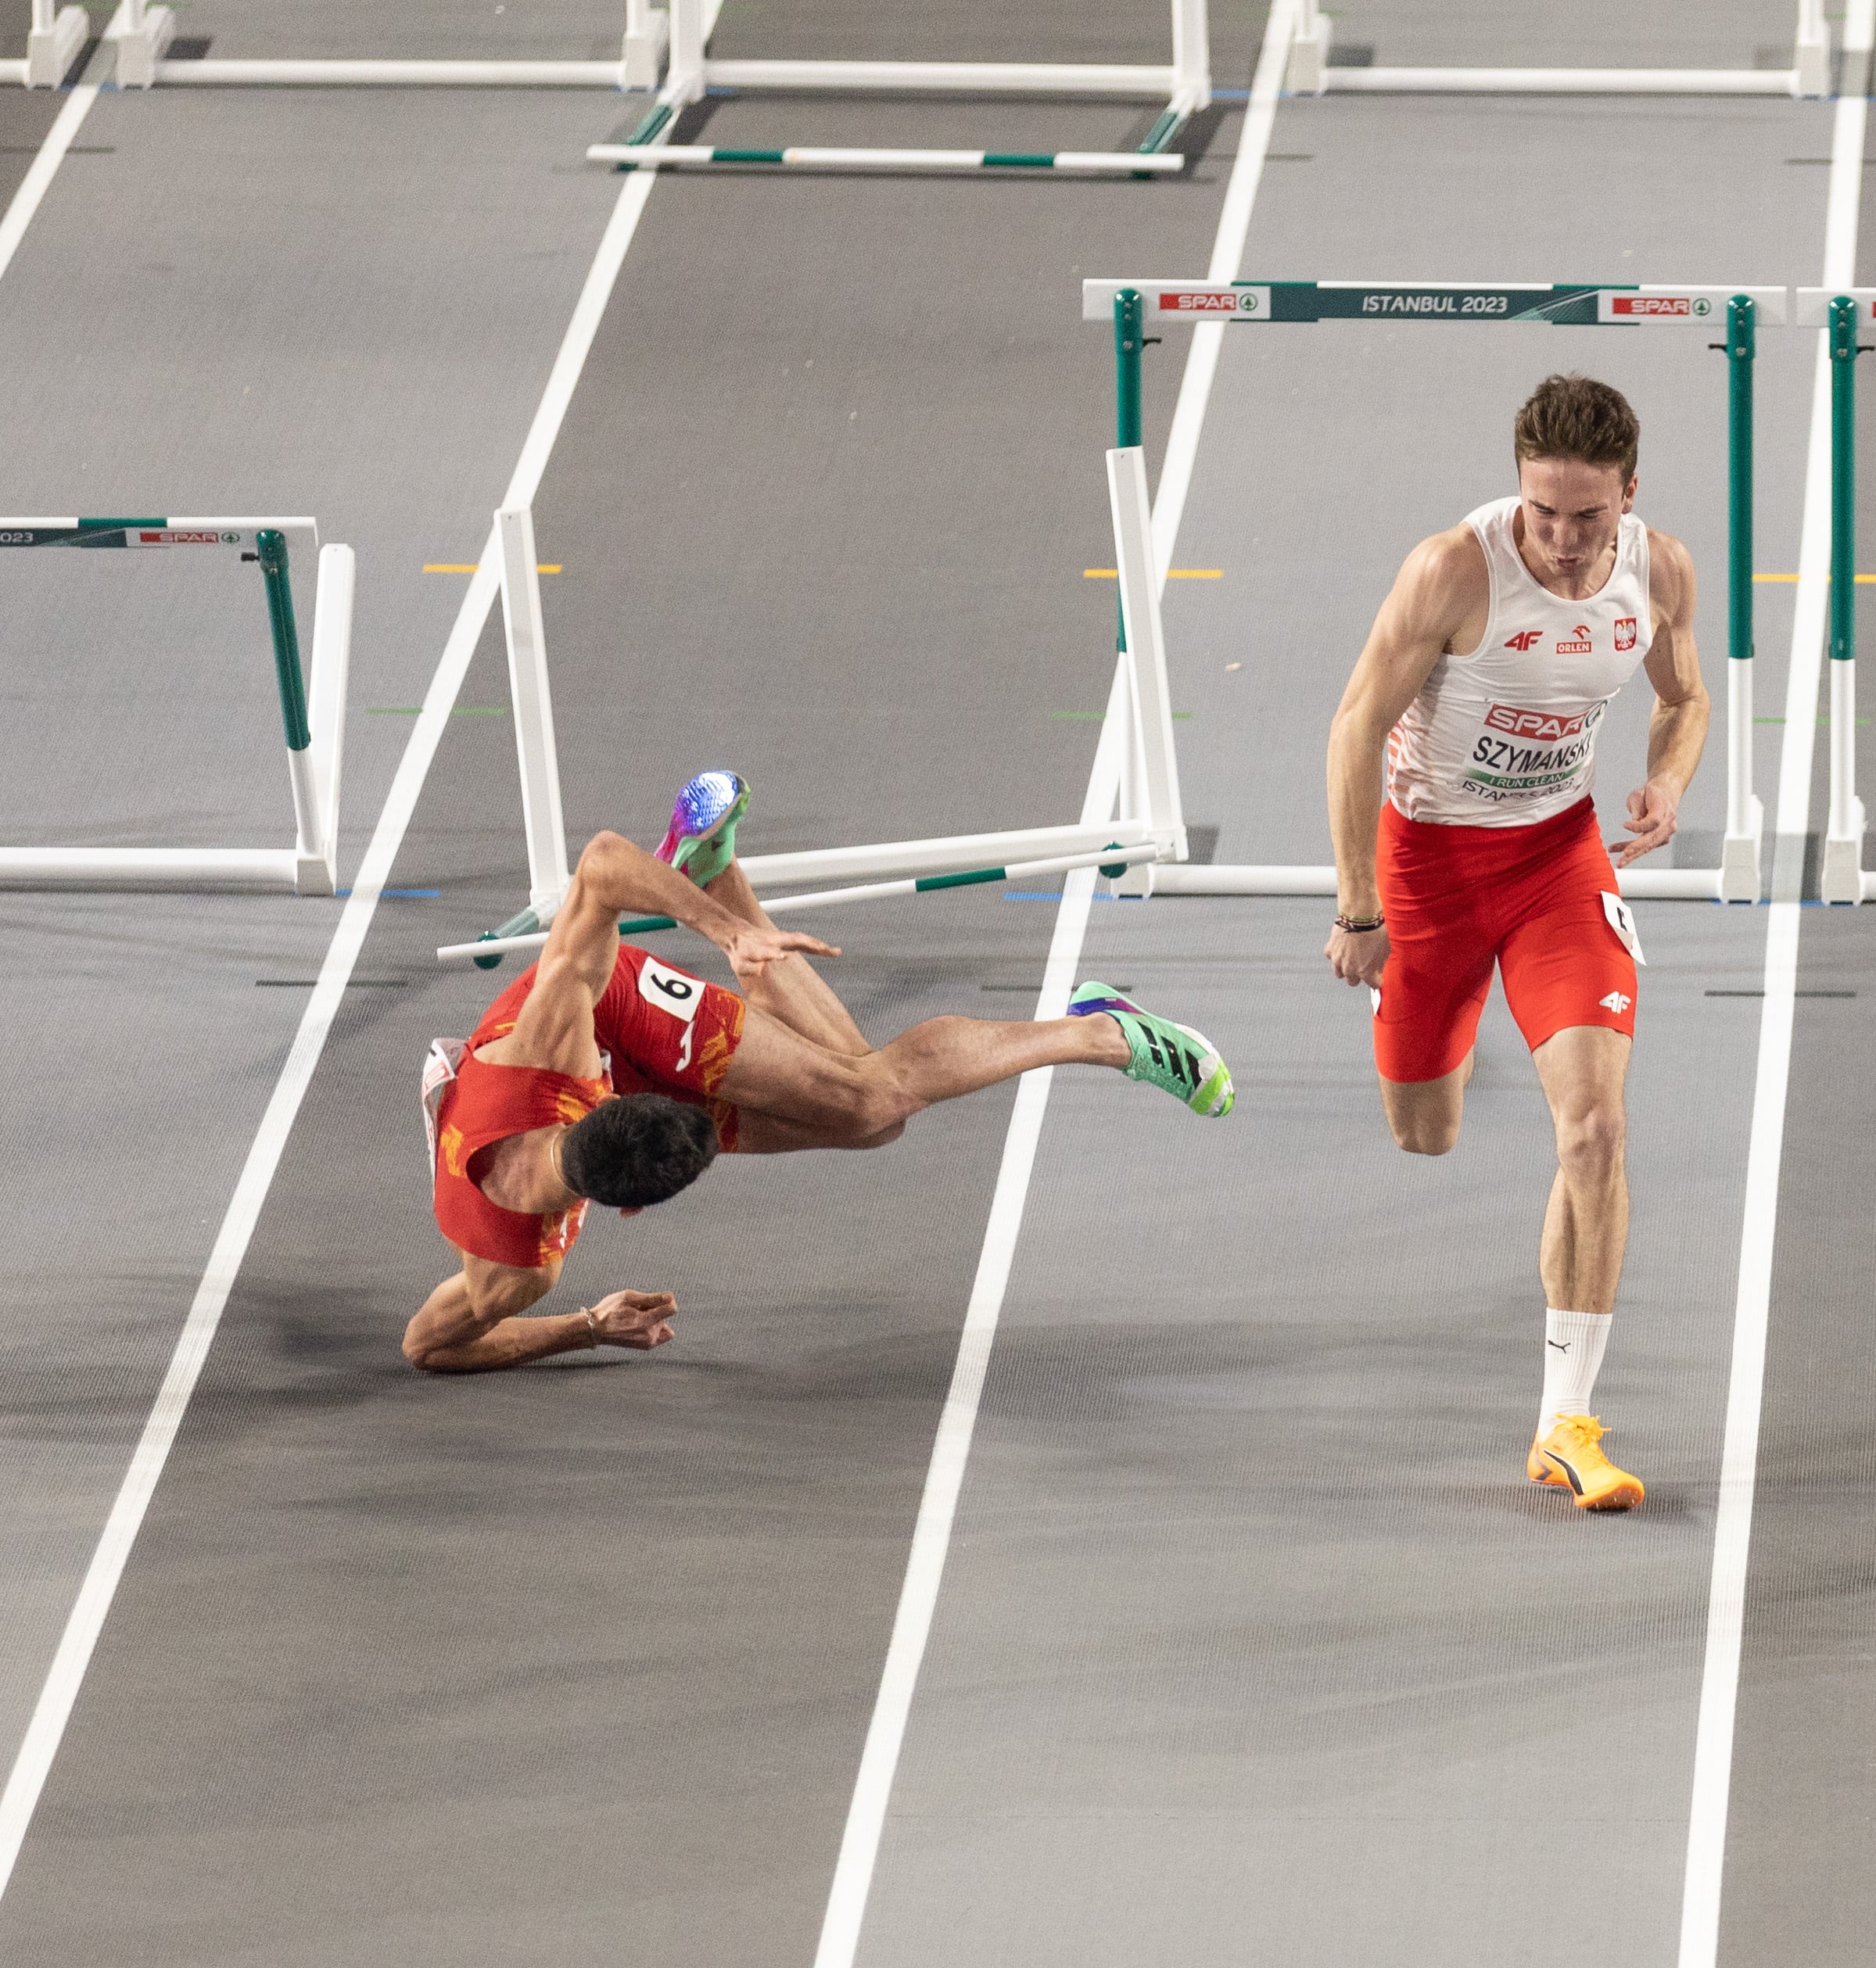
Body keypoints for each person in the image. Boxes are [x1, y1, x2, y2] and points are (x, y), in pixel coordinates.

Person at [405, 771, 1232, 1372]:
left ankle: (1101, 1033)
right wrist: (584, 1325)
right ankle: (717, 869)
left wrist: (723, 936)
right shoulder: (518, 1268)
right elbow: (429, 1347)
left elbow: (602, 863)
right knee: (869, 1118)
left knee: (874, 1094)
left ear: (595, 1100)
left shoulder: (550, 1045)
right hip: (599, 1093)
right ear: (619, 1202)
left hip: (616, 1011)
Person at [1320, 375, 1709, 1512]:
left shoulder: (1661, 570)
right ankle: (1457, 1017)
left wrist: (1669, 782)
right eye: (1543, 510)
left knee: (1592, 1128)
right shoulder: (1453, 568)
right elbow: (1352, 726)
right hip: (1428, 873)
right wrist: (1359, 909)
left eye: (1587, 515)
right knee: (1423, 1134)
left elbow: (1684, 697)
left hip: (1556, 865)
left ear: (1627, 496)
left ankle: (1565, 1421)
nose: (1562, 539)